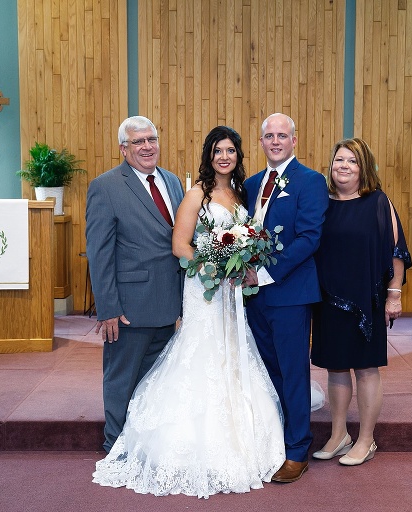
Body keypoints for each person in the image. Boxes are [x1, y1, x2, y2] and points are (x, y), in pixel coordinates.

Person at [93, 126, 285, 498]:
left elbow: (248, 238)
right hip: (205, 287)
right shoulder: (197, 191)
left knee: (231, 353)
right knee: (197, 356)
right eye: (217, 151)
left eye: (230, 150)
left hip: (231, 294)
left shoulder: (241, 193)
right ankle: (128, 442)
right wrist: (213, 264)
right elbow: (180, 244)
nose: (224, 157)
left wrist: (241, 263)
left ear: (238, 155)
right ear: (208, 155)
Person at [85, 115, 185, 454]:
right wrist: (108, 308)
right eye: (138, 142)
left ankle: (144, 445)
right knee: (122, 379)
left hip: (169, 304)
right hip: (129, 307)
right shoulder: (106, 186)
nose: (147, 147)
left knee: (154, 382)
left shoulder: (172, 182)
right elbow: (99, 255)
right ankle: (115, 446)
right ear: (123, 149)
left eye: (151, 139)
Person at [310, 138, 412, 466]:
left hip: (365, 301)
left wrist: (394, 295)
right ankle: (339, 435)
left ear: (363, 167)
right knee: (336, 368)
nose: (344, 166)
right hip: (328, 300)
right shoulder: (321, 202)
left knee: (366, 369)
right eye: (339, 159)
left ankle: (366, 439)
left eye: (352, 161)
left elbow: (396, 251)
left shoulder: (377, 202)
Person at [243, 113, 329, 483]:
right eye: (269, 136)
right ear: (261, 142)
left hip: (289, 293)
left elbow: (309, 238)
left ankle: (297, 450)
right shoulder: (248, 184)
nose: (275, 141)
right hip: (251, 297)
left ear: (295, 140)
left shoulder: (310, 181)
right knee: (266, 370)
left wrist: (264, 274)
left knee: (293, 373)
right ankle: (275, 438)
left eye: (282, 135)